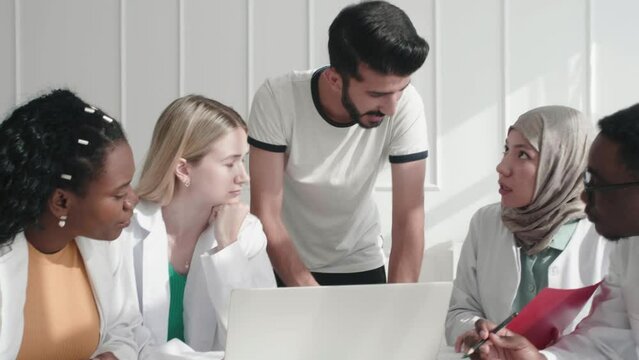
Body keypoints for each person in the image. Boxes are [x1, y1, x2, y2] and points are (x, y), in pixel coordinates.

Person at [248, 0, 430, 286]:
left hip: (360, 261)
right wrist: (314, 296)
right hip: (280, 261)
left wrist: (397, 310)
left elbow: (410, 219)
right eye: (377, 94)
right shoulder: (276, 99)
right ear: (335, 79)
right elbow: (265, 214)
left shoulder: (406, 105)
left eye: (401, 90)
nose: (391, 107)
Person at [473, 103, 639, 359]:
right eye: (586, 180)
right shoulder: (629, 245)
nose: (583, 195)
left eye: (599, 185)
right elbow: (606, 338)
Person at [122, 95, 276, 353]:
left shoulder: (246, 232)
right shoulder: (125, 229)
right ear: (183, 169)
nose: (244, 177)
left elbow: (260, 339)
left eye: (243, 160)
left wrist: (229, 249)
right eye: (230, 163)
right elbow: (116, 338)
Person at [0, 90, 143, 359]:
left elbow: (124, 329)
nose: (132, 200)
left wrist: (115, 353)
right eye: (119, 194)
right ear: (62, 202)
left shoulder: (106, 243)